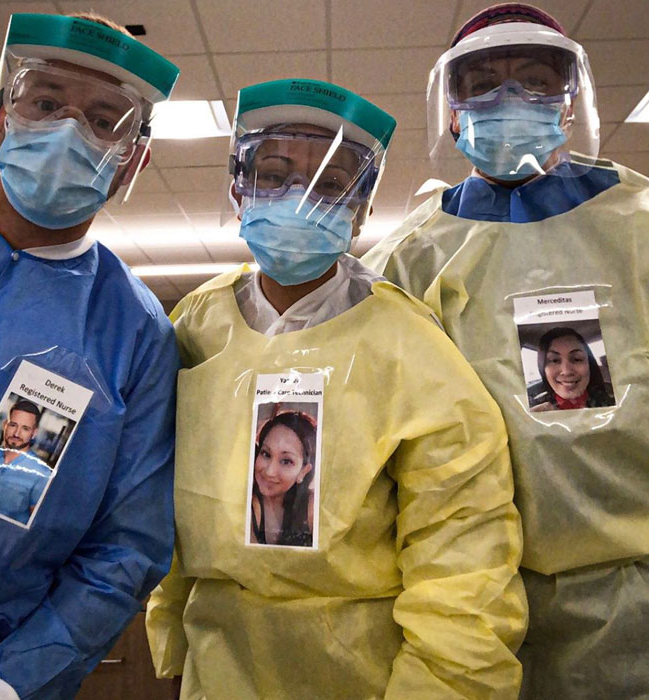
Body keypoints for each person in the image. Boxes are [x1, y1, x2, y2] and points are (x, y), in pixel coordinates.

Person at [146, 78, 527, 699]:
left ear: (363, 205)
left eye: (329, 183)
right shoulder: (195, 327)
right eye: (274, 172)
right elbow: (159, 506)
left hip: (365, 676)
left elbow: (465, 565)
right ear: (239, 186)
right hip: (217, 671)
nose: (298, 197)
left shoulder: (412, 347)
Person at [363, 4, 649, 698]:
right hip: (470, 601)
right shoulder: (405, 259)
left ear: (568, 97)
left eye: (533, 80)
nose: (509, 100)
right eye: (482, 83)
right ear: (452, 109)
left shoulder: (638, 227)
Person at [0, 13, 181, 700]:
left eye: (104, 120)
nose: (67, 130)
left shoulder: (134, 333)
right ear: (2, 118)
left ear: (132, 160)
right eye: (47, 102)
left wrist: (15, 683)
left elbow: (125, 547)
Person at [251, 411, 316, 546]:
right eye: (266, 454)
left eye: (286, 461)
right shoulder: (248, 505)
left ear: (303, 472)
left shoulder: (312, 508)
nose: (269, 472)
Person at [529, 327, 614, 412]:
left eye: (577, 359)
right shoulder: (531, 412)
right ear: (543, 369)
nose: (566, 371)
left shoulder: (614, 402)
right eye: (554, 360)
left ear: (589, 364)